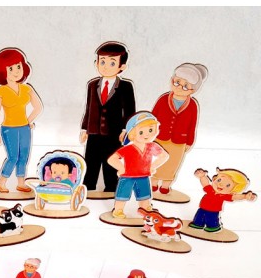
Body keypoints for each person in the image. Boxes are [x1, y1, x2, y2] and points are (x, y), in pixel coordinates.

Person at [80, 41, 136, 193]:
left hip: (114, 132)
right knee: (91, 159)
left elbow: (130, 110)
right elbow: (88, 108)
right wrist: (84, 128)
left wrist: (126, 130)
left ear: (122, 67)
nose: (105, 66)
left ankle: (111, 188)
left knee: (111, 160)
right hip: (94, 131)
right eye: (102, 61)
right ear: (96, 63)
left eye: (112, 63)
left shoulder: (125, 86)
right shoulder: (92, 85)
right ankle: (88, 186)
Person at [0, 48, 43, 193]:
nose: (16, 71)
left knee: (24, 156)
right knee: (13, 157)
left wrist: (28, 121)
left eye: (18, 66)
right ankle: (1, 181)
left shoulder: (27, 89)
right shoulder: (0, 91)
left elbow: (38, 107)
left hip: (24, 128)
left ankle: (21, 183)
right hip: (9, 129)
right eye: (11, 68)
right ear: (3, 71)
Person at [151, 63, 208, 195]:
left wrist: (189, 141)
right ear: (172, 80)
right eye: (177, 82)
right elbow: (153, 117)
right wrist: (150, 134)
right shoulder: (163, 99)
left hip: (179, 141)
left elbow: (192, 125)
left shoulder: (192, 105)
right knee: (156, 160)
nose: (180, 87)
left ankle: (166, 184)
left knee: (173, 163)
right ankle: (153, 182)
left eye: (186, 86)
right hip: (159, 137)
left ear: (192, 90)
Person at [107, 111, 169, 218]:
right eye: (141, 132)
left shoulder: (152, 146)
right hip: (127, 177)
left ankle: (145, 208)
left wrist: (153, 166)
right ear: (132, 134)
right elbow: (112, 159)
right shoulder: (128, 149)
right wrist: (121, 168)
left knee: (144, 195)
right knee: (122, 195)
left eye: (150, 130)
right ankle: (118, 210)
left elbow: (164, 156)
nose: (147, 135)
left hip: (143, 176)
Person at [189, 167, 257, 233]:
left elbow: (235, 197)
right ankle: (197, 224)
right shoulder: (210, 190)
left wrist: (245, 196)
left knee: (212, 220)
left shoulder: (224, 196)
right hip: (202, 208)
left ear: (233, 190)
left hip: (213, 211)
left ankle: (213, 228)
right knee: (199, 217)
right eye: (219, 180)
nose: (220, 184)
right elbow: (205, 184)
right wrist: (202, 176)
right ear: (214, 179)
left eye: (228, 185)